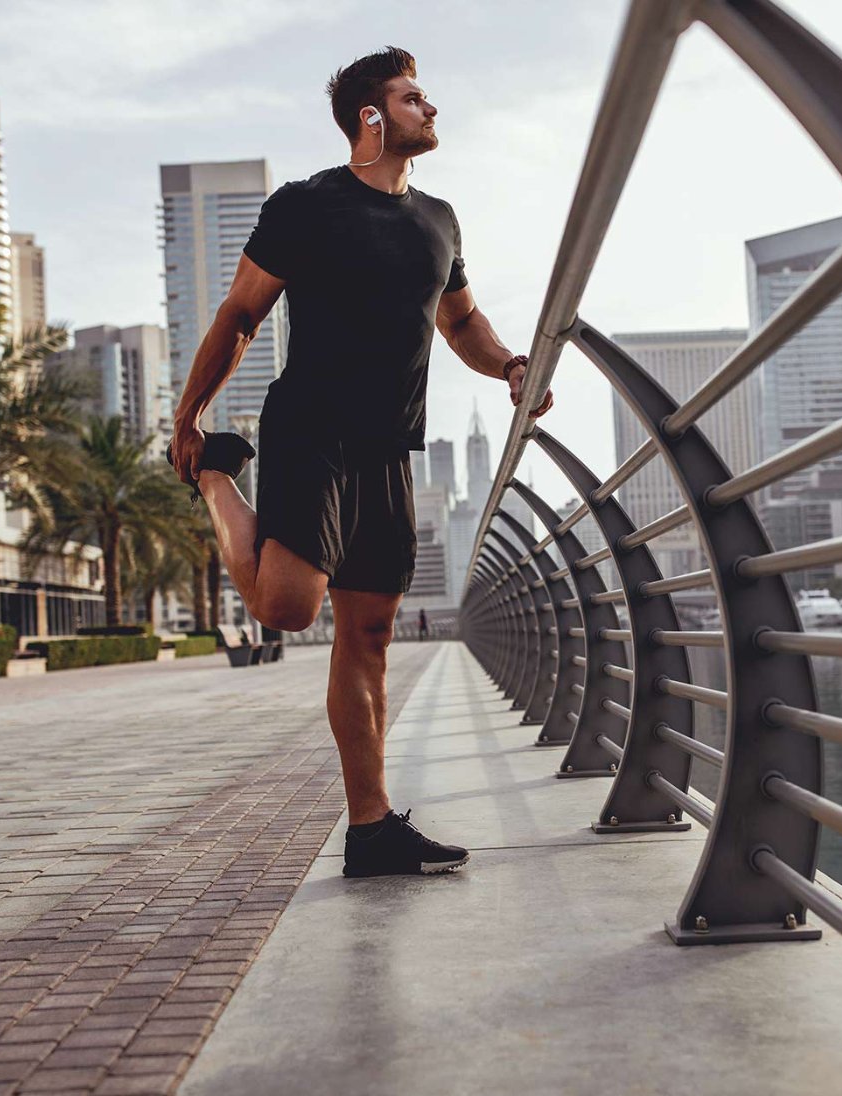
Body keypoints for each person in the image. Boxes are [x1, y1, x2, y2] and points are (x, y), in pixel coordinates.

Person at [166, 46, 552, 878]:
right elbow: (240, 314)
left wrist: (512, 365)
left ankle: (370, 827)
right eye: (416, 98)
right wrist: (189, 417)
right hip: (311, 427)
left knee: (368, 634)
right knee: (286, 610)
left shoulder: (440, 221)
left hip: (389, 447)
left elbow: (462, 326)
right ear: (372, 119)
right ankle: (214, 480)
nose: (432, 109)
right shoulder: (307, 206)